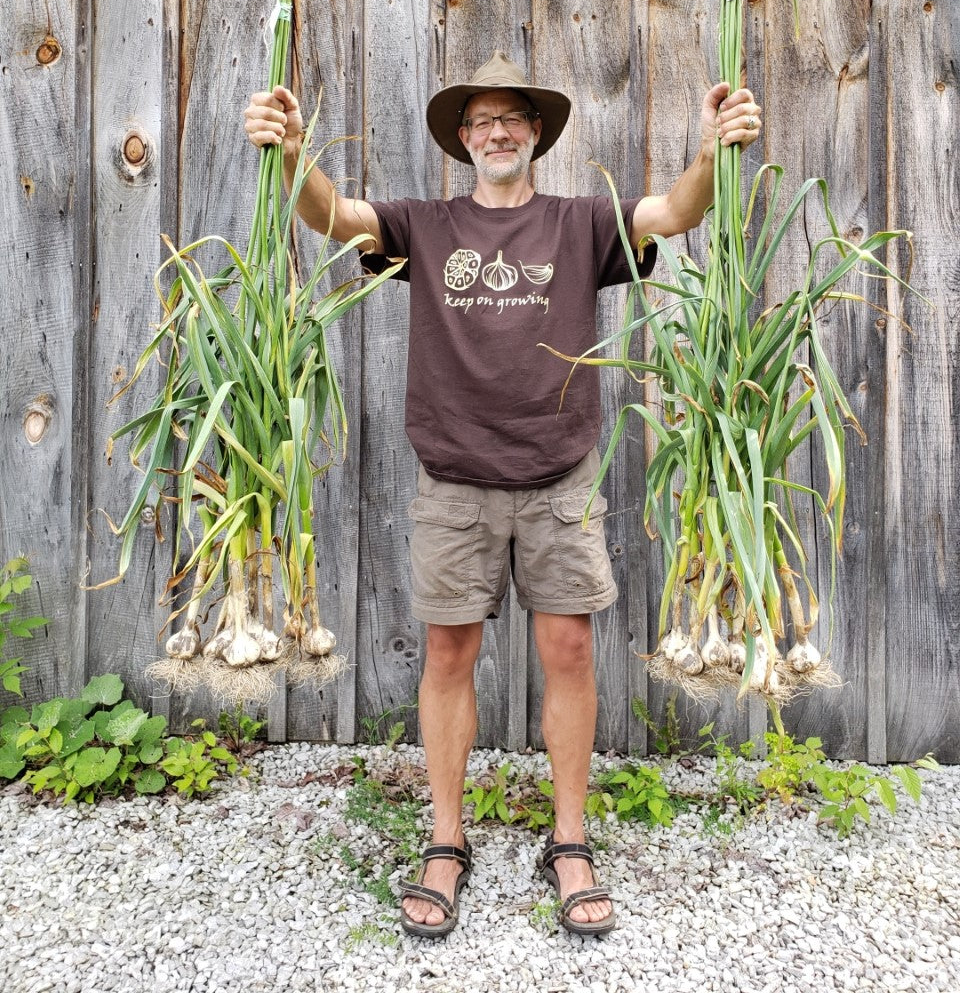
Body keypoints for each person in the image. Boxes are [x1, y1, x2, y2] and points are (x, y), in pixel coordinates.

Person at [244, 50, 761, 938]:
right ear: (462, 138)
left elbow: (676, 211)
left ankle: (569, 839)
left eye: (510, 118)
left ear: (534, 135)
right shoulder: (425, 224)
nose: (495, 131)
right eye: (479, 120)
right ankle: (446, 841)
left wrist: (714, 150)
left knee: (567, 650)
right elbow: (332, 216)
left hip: (559, 478)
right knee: (447, 657)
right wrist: (291, 153)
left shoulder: (581, 222)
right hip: (453, 480)